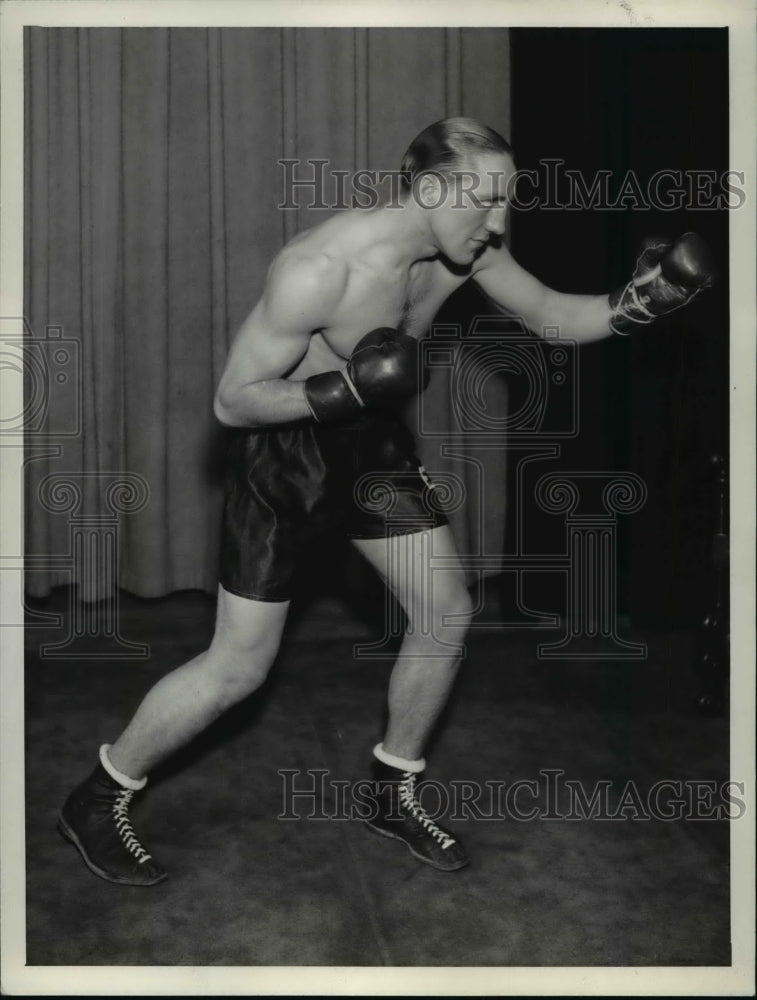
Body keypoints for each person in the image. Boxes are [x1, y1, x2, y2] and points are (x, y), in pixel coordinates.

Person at [58, 118, 714, 885]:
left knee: (446, 613)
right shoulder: (319, 269)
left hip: (374, 452)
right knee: (238, 667)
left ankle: (390, 790)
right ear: (431, 189)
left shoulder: (466, 249)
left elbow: (550, 317)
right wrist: (346, 386)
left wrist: (638, 303)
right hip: (285, 460)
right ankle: (98, 797)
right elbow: (233, 402)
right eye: (486, 201)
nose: (499, 223)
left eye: (508, 201)